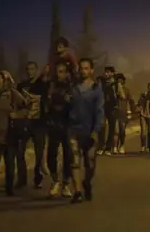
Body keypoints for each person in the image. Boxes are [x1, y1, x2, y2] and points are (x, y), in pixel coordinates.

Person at [0, 70, 28, 196]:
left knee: (9, 161)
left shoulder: (13, 94)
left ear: (5, 81)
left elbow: (26, 106)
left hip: (9, 134)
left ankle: (9, 186)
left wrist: (18, 114)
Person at [68, 58, 104, 203]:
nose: (83, 71)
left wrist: (96, 130)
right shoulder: (73, 87)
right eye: (81, 68)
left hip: (90, 130)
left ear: (91, 70)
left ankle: (86, 182)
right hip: (73, 129)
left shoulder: (96, 88)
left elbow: (100, 111)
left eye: (86, 68)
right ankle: (77, 192)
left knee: (90, 162)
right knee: (74, 161)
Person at [16, 61, 48, 189]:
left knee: (39, 153)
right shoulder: (21, 85)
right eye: (28, 69)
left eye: (32, 69)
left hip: (39, 123)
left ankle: (38, 177)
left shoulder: (42, 85)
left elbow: (46, 101)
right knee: (20, 151)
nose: (30, 71)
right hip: (24, 122)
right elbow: (17, 103)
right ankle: (21, 179)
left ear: (36, 70)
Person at [45, 61, 73, 198]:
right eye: (57, 71)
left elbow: (76, 105)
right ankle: (55, 180)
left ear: (67, 73)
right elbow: (46, 105)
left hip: (67, 124)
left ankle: (66, 184)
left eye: (62, 71)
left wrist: (70, 100)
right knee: (51, 154)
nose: (59, 74)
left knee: (68, 154)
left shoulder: (71, 87)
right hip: (53, 123)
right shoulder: (51, 86)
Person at [97, 66, 120, 155]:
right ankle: (101, 146)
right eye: (106, 72)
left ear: (112, 73)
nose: (106, 74)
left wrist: (117, 93)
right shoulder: (101, 82)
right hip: (102, 106)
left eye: (108, 72)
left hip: (113, 107)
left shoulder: (116, 84)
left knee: (112, 127)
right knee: (101, 127)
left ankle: (108, 148)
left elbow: (122, 96)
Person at [114, 73, 135, 154]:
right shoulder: (113, 89)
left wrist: (131, 112)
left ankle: (122, 145)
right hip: (115, 112)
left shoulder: (126, 90)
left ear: (123, 81)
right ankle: (115, 147)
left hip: (123, 112)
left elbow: (131, 101)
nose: (119, 81)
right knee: (116, 131)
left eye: (121, 79)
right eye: (118, 79)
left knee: (122, 131)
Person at [137, 82, 150, 153]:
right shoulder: (144, 94)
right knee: (143, 131)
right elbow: (139, 102)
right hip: (143, 114)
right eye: (149, 86)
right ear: (148, 86)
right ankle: (143, 146)